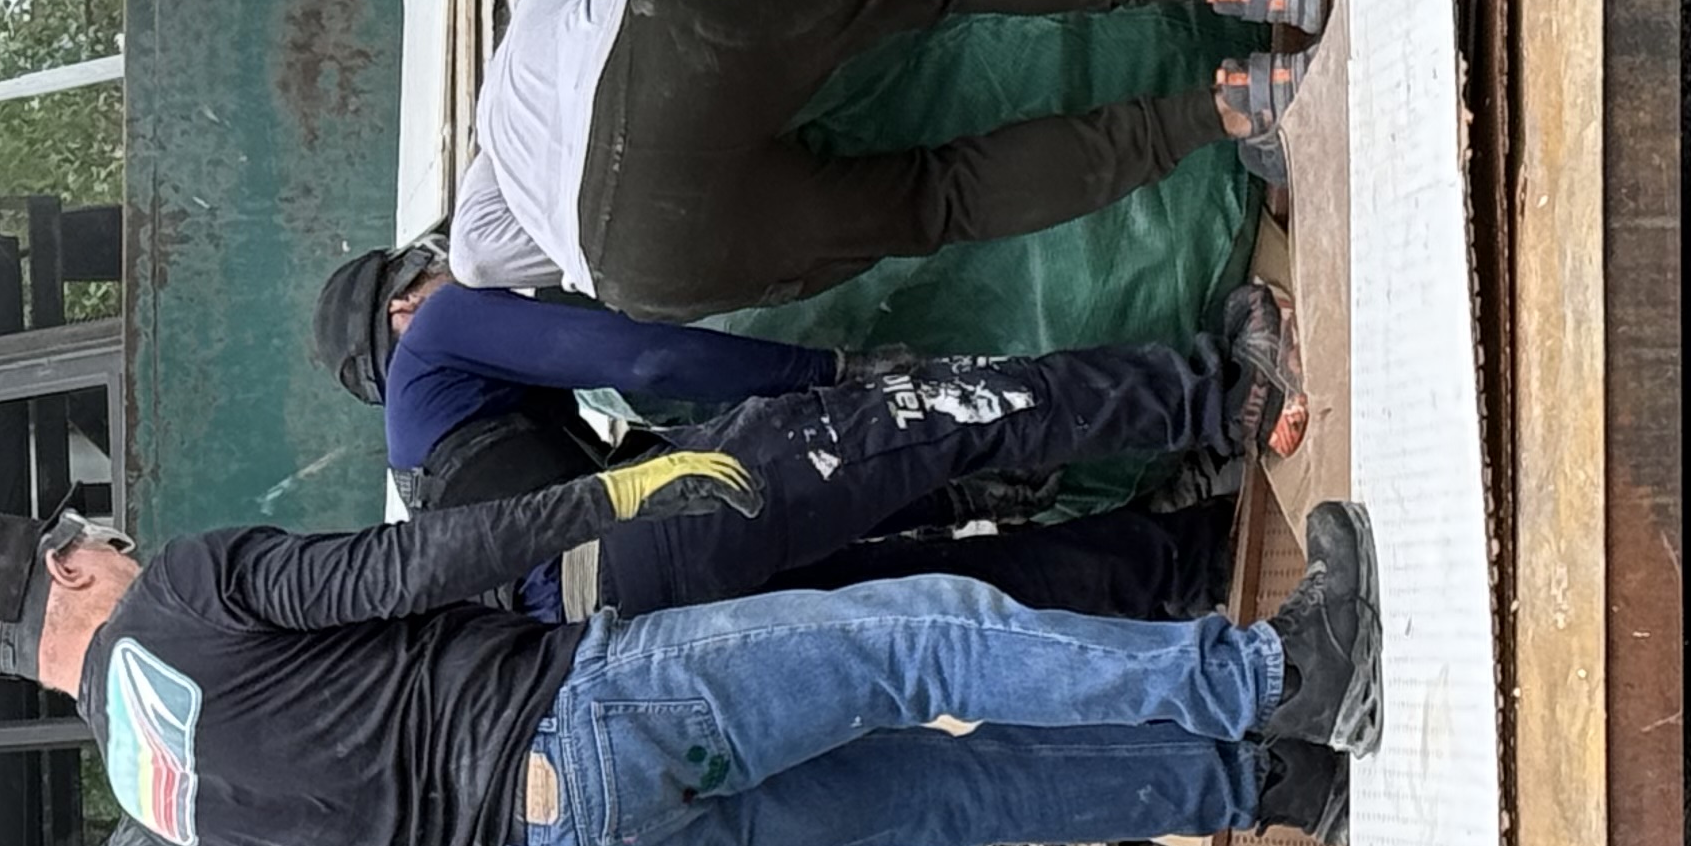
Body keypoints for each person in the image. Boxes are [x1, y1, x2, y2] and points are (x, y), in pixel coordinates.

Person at [0, 468, 1380, 846]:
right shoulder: (182, 595)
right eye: (94, 537)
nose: (116, 543)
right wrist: (605, 496)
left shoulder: (160, 814)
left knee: (941, 789)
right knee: (921, 642)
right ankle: (1278, 677)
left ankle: (1273, 789)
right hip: (580, 717)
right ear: (69, 570)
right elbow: (406, 565)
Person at [447, 0, 1330, 322]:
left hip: (640, 273)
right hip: (657, 62)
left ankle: (1239, 109)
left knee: (945, 201)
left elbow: (481, 259)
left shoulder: (508, 172)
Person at [308, 239, 1280, 625]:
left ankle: (1198, 559)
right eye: (433, 262)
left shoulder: (427, 482)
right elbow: (648, 362)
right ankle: (1224, 399)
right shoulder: (438, 334)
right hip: (653, 534)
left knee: (935, 593)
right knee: (942, 411)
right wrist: (826, 375)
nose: (460, 270)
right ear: (402, 309)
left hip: (643, 621)